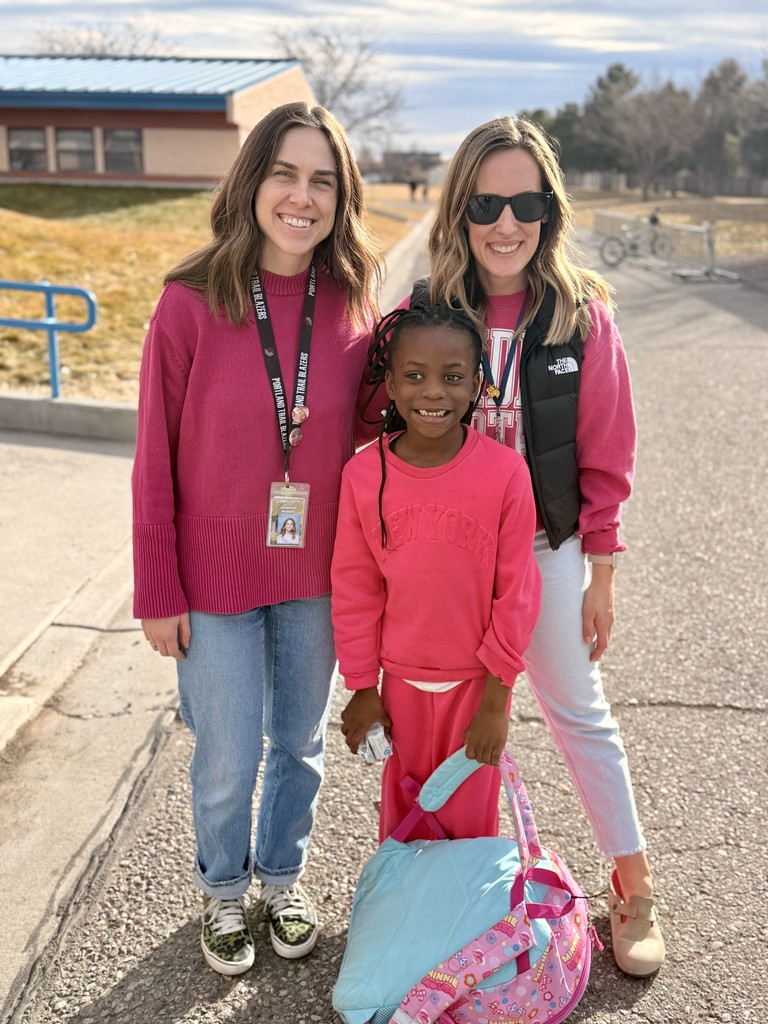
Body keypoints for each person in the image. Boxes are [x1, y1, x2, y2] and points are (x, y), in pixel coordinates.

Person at [132, 100, 382, 976]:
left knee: (301, 745)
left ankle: (283, 878)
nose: (301, 196)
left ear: (341, 196)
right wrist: (157, 589)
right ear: (253, 182)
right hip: (211, 578)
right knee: (230, 754)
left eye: (322, 179)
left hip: (313, 572)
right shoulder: (190, 301)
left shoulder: (353, 304)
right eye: (285, 172)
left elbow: (379, 427)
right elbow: (152, 459)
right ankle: (224, 892)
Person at [416, 114, 666, 977]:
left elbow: (608, 448)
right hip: (450, 555)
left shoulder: (582, 313)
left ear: (549, 209)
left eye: (525, 200)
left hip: (546, 548)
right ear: (461, 209)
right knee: (451, 720)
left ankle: (632, 881)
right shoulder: (429, 309)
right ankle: (461, 887)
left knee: (577, 713)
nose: (505, 221)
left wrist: (601, 571)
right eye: (487, 201)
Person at [331, 300, 541, 843]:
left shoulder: (505, 473)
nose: (432, 392)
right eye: (415, 376)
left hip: (475, 687)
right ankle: (406, 928)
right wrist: (362, 686)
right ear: (393, 387)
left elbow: (515, 594)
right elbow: (355, 588)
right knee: (404, 824)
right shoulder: (362, 475)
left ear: (476, 385)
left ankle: (469, 929)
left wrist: (497, 704)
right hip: (398, 685)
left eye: (451, 377)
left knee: (470, 826)